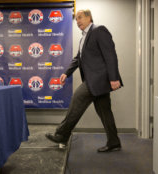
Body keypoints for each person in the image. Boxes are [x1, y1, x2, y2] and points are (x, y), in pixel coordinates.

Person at [45, 9, 123, 152]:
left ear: (89, 18)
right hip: (96, 82)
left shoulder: (99, 30)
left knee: (76, 102)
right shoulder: (84, 37)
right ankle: (114, 142)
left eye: (80, 18)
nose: (78, 21)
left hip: (98, 80)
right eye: (76, 20)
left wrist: (114, 78)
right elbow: (78, 59)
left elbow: (110, 55)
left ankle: (61, 135)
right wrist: (66, 73)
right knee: (105, 112)